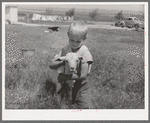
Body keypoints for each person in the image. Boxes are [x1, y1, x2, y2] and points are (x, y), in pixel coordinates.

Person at [49, 20, 93, 109]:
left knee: (83, 107)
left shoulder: (84, 52)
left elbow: (84, 75)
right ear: (68, 35)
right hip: (66, 86)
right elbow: (51, 65)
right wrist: (63, 61)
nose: (74, 43)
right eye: (71, 40)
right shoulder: (66, 49)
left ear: (84, 39)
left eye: (78, 41)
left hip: (81, 87)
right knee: (67, 105)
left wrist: (65, 77)